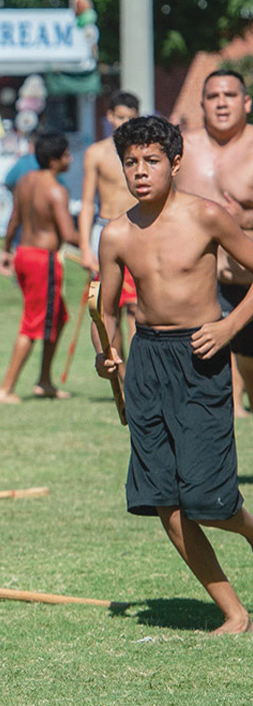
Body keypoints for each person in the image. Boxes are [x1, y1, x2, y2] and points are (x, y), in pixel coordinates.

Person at [96, 114, 253, 635]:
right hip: (147, 363)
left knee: (209, 501)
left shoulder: (207, 216)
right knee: (165, 501)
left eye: (152, 161)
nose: (140, 171)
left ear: (176, 163)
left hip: (201, 356)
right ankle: (234, 613)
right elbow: (107, 311)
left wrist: (229, 326)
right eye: (131, 162)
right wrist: (106, 354)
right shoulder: (115, 234)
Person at [176, 70, 253, 420]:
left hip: (248, 281)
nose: (221, 103)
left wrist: (244, 217)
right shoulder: (182, 149)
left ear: (246, 102)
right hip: (202, 284)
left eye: (230, 95)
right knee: (201, 379)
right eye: (213, 96)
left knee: (248, 363)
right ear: (202, 104)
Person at [0, 130, 80, 404]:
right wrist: (99, 246)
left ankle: (44, 381)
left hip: (23, 254)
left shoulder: (24, 181)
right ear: (54, 160)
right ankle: (5, 389)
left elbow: (14, 220)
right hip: (43, 261)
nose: (70, 159)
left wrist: (6, 250)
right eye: (66, 155)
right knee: (32, 324)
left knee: (59, 317)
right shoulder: (56, 190)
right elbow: (68, 234)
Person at [78, 91, 140, 350]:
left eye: (130, 118)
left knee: (137, 308)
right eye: (120, 117)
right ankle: (120, 370)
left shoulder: (144, 153)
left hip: (138, 230)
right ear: (110, 116)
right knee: (108, 307)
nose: (124, 123)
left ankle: (138, 370)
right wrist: (84, 246)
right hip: (105, 229)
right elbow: (87, 202)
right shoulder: (96, 153)